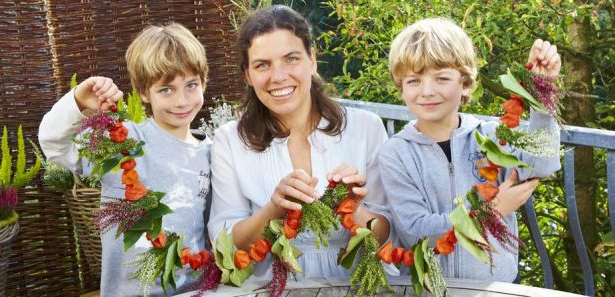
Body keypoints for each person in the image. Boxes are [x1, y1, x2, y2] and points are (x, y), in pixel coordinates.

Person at [207, 5, 395, 279]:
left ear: (312, 60)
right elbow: (226, 245)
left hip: (357, 287)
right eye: (262, 65)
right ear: (247, 74)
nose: (279, 76)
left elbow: (385, 236)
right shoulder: (230, 140)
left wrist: (353, 209)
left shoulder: (366, 127)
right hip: (272, 288)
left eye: (291, 58)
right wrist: (274, 210)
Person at [379, 17, 561, 282]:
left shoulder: (490, 136)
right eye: (413, 81)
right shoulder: (396, 153)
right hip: (430, 289)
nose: (427, 91)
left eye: (441, 78)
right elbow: (418, 234)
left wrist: (541, 94)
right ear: (401, 87)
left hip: (495, 287)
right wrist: (492, 212)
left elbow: (541, 164)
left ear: (464, 84)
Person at [39, 23, 212, 296]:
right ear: (144, 92)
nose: (182, 101)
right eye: (166, 89)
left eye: (191, 85)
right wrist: (78, 102)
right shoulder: (122, 140)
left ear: (203, 82)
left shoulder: (212, 154)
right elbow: (55, 146)